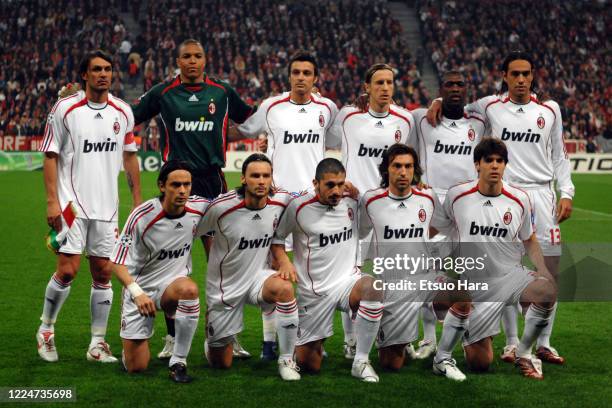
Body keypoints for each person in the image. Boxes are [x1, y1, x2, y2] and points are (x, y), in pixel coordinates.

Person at [428, 51, 573, 365]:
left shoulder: (549, 109)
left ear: (532, 76)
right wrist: (437, 100)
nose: (521, 80)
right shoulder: (489, 105)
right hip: (505, 196)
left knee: (549, 271)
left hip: (541, 195)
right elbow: (455, 104)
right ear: (505, 77)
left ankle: (543, 343)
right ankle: (510, 343)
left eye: (526, 73)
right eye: (515, 74)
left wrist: (568, 192)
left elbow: (559, 154)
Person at [131, 38, 255, 360]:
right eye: (186, 56)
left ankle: (223, 335)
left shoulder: (222, 92)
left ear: (205, 59)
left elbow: (251, 118)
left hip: (212, 183)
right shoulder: (163, 93)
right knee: (172, 265)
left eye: (197, 56)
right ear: (178, 60)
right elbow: (127, 117)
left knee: (222, 263)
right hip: (177, 185)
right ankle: (172, 338)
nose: (192, 61)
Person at [36, 50, 141, 363]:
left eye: (108, 69)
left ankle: (97, 344)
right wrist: (52, 202)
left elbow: (130, 156)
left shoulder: (122, 112)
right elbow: (50, 155)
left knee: (103, 273)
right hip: (72, 206)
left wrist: (137, 206)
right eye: (97, 69)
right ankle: (46, 330)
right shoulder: (66, 109)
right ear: (85, 74)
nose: (103, 74)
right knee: (67, 271)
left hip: (107, 209)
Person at [237, 51, 338, 360]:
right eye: (296, 72)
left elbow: (340, 135)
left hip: (313, 202)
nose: (301, 77)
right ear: (289, 75)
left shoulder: (327, 108)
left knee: (310, 272)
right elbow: (244, 127)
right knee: (274, 270)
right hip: (278, 201)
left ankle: (306, 337)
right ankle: (270, 341)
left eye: (307, 72)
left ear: (315, 77)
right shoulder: (272, 107)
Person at [435, 138, 558, 379]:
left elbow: (529, 238)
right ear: (477, 165)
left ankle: (524, 353)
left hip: (510, 276)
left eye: (499, 161)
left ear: (505, 165)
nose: (494, 166)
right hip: (475, 284)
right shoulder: (457, 195)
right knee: (480, 364)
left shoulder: (520, 198)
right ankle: (470, 333)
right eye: (488, 160)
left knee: (547, 290)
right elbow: (439, 227)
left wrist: (542, 269)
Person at [359, 144, 471, 381]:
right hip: (393, 285)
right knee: (392, 364)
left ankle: (443, 359)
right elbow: (357, 232)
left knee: (461, 294)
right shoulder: (370, 200)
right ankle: (397, 340)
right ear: (386, 170)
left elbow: (445, 225)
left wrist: (430, 249)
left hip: (426, 277)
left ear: (415, 170)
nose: (403, 172)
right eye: (397, 166)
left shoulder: (427, 196)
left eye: (408, 166)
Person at [327, 63, 416, 358]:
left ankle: (396, 332)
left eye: (390, 82)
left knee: (394, 271)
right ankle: (351, 339)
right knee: (351, 273)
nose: (385, 88)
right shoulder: (348, 117)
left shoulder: (405, 120)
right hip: (353, 207)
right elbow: (319, 139)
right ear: (367, 87)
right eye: (379, 82)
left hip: (390, 209)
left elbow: (410, 159)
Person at [271, 158, 383, 382]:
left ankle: (361, 361)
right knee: (309, 365)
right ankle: (303, 341)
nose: (337, 191)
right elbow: (277, 238)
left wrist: (359, 195)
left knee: (373, 287)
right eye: (330, 185)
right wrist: (284, 262)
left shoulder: (351, 202)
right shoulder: (298, 206)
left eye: (341, 184)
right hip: (314, 292)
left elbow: (372, 220)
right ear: (316, 183)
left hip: (347, 282)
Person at [197, 153, 301, 381]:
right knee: (221, 363)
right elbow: (191, 228)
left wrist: (347, 190)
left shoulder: (282, 199)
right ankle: (212, 334)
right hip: (226, 287)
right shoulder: (221, 207)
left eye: (266, 175)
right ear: (243, 178)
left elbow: (310, 197)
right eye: (255, 176)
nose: (261, 181)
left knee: (284, 289)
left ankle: (286, 360)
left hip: (258, 278)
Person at [408, 70, 486, 359]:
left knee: (469, 271)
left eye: (460, 85)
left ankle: (465, 331)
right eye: (448, 85)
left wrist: (439, 99)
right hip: (431, 204)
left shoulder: (478, 122)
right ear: (440, 89)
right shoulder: (422, 119)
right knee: (425, 273)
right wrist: (436, 102)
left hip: (466, 205)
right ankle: (428, 338)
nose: (455, 89)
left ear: (466, 90)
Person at [111, 160, 206, 383]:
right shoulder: (142, 216)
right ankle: (132, 346)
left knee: (189, 289)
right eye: (175, 185)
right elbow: (115, 261)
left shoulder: (199, 208)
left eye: (187, 184)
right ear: (162, 186)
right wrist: (137, 292)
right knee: (137, 367)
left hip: (172, 288)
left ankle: (178, 360)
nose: (182, 190)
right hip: (140, 292)